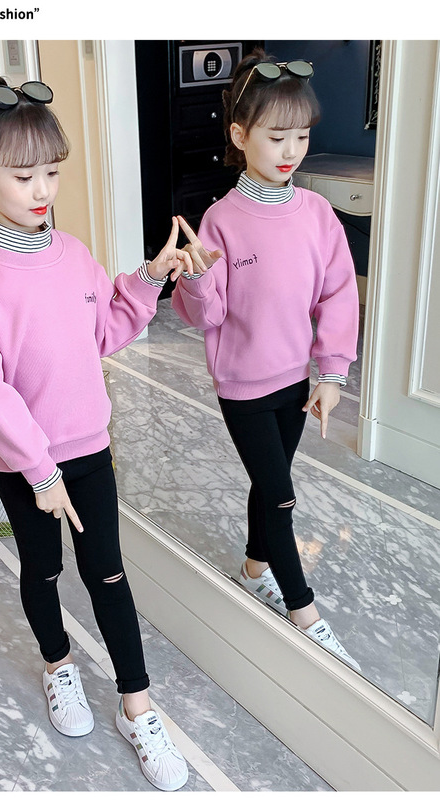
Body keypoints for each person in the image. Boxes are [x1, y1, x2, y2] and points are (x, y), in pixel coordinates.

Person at [0, 72, 189, 791]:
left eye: (51, 172)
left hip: (90, 452)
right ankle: (59, 668)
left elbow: (103, 332)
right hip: (26, 467)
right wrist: (39, 471)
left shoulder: (76, 255)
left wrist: (149, 278)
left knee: (108, 573)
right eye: (23, 175)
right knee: (43, 570)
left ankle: (137, 706)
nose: (42, 189)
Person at [171, 49, 361, 672]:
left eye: (300, 136)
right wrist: (197, 276)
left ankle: (255, 568)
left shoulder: (317, 214)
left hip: (295, 380)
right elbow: (207, 314)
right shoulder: (221, 221)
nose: (290, 151)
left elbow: (338, 293)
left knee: (268, 482)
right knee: (281, 493)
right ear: (239, 136)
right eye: (276, 136)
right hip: (242, 385)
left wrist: (331, 373)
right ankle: (303, 609)